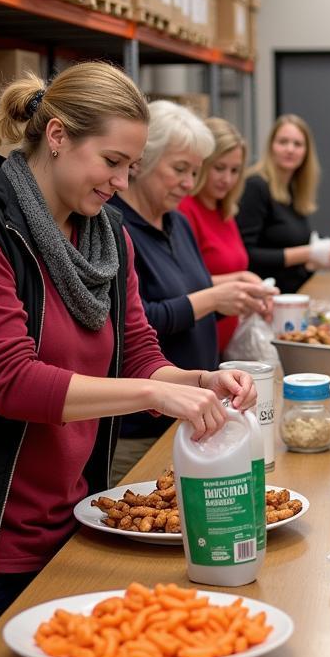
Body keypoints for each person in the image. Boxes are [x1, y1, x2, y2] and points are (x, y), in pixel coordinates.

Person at [0, 65, 256, 657]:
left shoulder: (105, 236)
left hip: (65, 522)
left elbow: (136, 350)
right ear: (56, 135)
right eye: (111, 160)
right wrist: (152, 393)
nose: (121, 181)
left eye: (131, 167)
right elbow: (9, 381)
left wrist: (192, 381)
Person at [110, 100, 272, 479]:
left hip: (194, 415)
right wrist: (213, 299)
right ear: (141, 161)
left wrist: (232, 291)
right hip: (142, 431)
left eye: (194, 172)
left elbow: (186, 293)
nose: (188, 184)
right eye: (179, 169)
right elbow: (136, 323)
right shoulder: (116, 229)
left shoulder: (177, 224)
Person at [236, 114, 330, 294]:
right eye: (283, 142)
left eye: (297, 144)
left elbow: (293, 256)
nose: (290, 149)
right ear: (271, 147)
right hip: (264, 298)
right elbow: (247, 256)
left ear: (306, 152)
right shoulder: (256, 187)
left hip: (292, 295)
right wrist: (310, 253)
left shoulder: (293, 190)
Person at [179, 117, 262, 352]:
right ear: (202, 164)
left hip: (225, 342)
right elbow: (179, 285)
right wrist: (240, 282)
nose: (227, 179)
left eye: (235, 170)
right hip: (195, 341)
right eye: (219, 168)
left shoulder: (224, 210)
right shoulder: (185, 209)